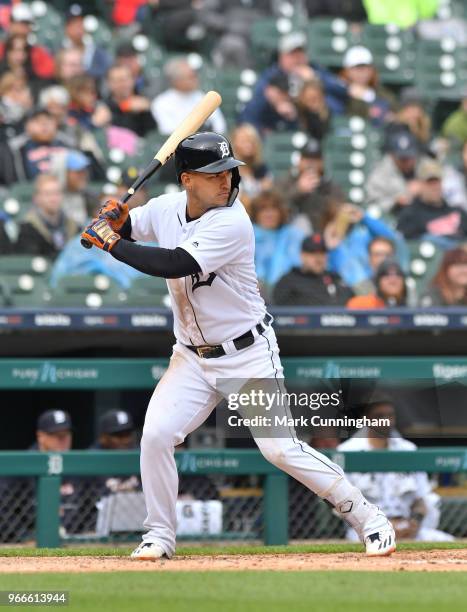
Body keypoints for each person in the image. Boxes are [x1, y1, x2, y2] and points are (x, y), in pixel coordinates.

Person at [81, 130, 396, 560]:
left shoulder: (232, 220)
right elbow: (134, 223)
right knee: (155, 435)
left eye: (229, 171)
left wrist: (113, 242)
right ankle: (159, 535)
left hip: (246, 354)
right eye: (214, 174)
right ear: (187, 179)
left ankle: (368, 517)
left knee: (279, 448)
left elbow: (175, 262)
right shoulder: (169, 207)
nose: (226, 180)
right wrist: (116, 217)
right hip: (190, 357)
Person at [338, 397, 454, 542]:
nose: (386, 420)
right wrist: (381, 526)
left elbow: (422, 498)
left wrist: (414, 523)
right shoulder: (348, 451)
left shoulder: (408, 450)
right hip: (367, 530)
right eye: (379, 416)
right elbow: (343, 504)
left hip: (408, 528)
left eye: (390, 415)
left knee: (447, 541)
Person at [239, 31, 360, 135]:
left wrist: (315, 79)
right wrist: (275, 102)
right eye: (292, 54)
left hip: (316, 127)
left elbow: (343, 91)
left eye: (300, 53)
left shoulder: (314, 69)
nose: (297, 58)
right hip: (280, 126)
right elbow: (253, 106)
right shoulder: (272, 75)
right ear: (282, 56)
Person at [322, 200, 403, 289]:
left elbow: (389, 239)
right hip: (342, 288)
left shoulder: (361, 236)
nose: (342, 219)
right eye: (337, 217)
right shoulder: (324, 242)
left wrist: (363, 217)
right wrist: (332, 247)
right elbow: (331, 270)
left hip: (368, 286)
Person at [277, 139, 343, 234]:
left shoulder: (330, 185)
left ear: (322, 163)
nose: (311, 163)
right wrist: (298, 190)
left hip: (322, 234)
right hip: (289, 234)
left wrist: (320, 189)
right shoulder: (286, 180)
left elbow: (338, 209)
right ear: (300, 161)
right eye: (307, 159)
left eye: (315, 159)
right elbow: (274, 206)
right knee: (302, 222)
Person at [397, 158, 467, 244]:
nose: (435, 187)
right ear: (420, 184)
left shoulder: (458, 211)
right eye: (430, 182)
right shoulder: (410, 216)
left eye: (437, 181)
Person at [151, 57, 226, 136]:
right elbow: (168, 131)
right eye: (191, 77)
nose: (195, 79)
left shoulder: (204, 98)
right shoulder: (161, 103)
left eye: (195, 76)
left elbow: (220, 127)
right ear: (176, 81)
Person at [273, 233, 353, 306]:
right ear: (302, 255)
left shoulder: (335, 278)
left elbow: (352, 303)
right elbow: (279, 314)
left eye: (322, 253)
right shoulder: (288, 281)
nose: (318, 259)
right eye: (313, 253)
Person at [250, 189, 305, 293]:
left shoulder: (294, 236)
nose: (269, 214)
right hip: (253, 296)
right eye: (263, 209)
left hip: (290, 293)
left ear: (281, 212)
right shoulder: (246, 236)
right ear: (256, 213)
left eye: (274, 209)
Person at [0, 108, 73, 185]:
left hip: (63, 193)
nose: (44, 124)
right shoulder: (14, 148)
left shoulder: (68, 144)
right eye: (37, 121)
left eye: (48, 120)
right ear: (27, 125)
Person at [16, 174, 79, 258]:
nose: (53, 199)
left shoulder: (72, 225)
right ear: (37, 198)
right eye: (48, 194)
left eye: (57, 193)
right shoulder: (27, 228)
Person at [366, 130, 425, 216]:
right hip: (394, 219)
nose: (407, 162)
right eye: (403, 158)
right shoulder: (381, 173)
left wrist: (425, 188)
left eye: (410, 157)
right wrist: (395, 202)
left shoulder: (424, 164)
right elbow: (371, 204)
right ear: (392, 156)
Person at [340, 46, 396, 126]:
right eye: (357, 68)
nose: (362, 72)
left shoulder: (380, 91)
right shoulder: (340, 90)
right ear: (347, 70)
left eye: (365, 67)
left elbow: (395, 109)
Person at [0, 5, 55, 80]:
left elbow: (48, 74)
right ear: (10, 24)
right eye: (19, 23)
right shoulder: (1, 48)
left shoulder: (39, 53)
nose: (22, 28)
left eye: (26, 24)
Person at [62, 4, 112, 81]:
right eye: (73, 24)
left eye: (80, 23)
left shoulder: (95, 48)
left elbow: (106, 69)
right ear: (66, 28)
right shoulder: (60, 48)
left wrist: (85, 73)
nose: (78, 28)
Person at [105, 64, 156, 137]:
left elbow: (153, 133)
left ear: (133, 80)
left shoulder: (142, 101)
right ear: (109, 84)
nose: (123, 84)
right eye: (118, 81)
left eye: (126, 79)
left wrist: (146, 111)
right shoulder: (104, 107)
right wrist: (125, 106)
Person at [230, 123, 273, 209]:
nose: (248, 144)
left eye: (251, 140)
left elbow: (269, 198)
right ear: (234, 144)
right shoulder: (228, 169)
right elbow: (239, 202)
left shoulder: (262, 169)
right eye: (243, 141)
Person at [49, 149, 95, 227]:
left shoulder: (90, 197)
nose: (83, 175)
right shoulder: (51, 201)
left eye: (84, 171)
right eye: (78, 172)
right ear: (63, 173)